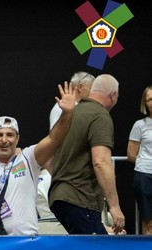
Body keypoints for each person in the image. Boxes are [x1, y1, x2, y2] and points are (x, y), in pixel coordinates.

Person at [0, 79, 77, 235]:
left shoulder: (28, 159)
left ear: (17, 139)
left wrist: (67, 113)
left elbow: (54, 139)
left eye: (10, 135)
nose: (4, 140)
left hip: (25, 243)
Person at [49, 74, 125, 234]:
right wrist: (115, 206)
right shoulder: (99, 116)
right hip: (80, 197)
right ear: (113, 95)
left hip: (59, 195)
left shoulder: (72, 113)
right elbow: (101, 161)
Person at [127, 84, 152, 235]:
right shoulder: (140, 125)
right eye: (149, 99)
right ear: (145, 103)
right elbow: (131, 154)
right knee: (148, 222)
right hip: (145, 176)